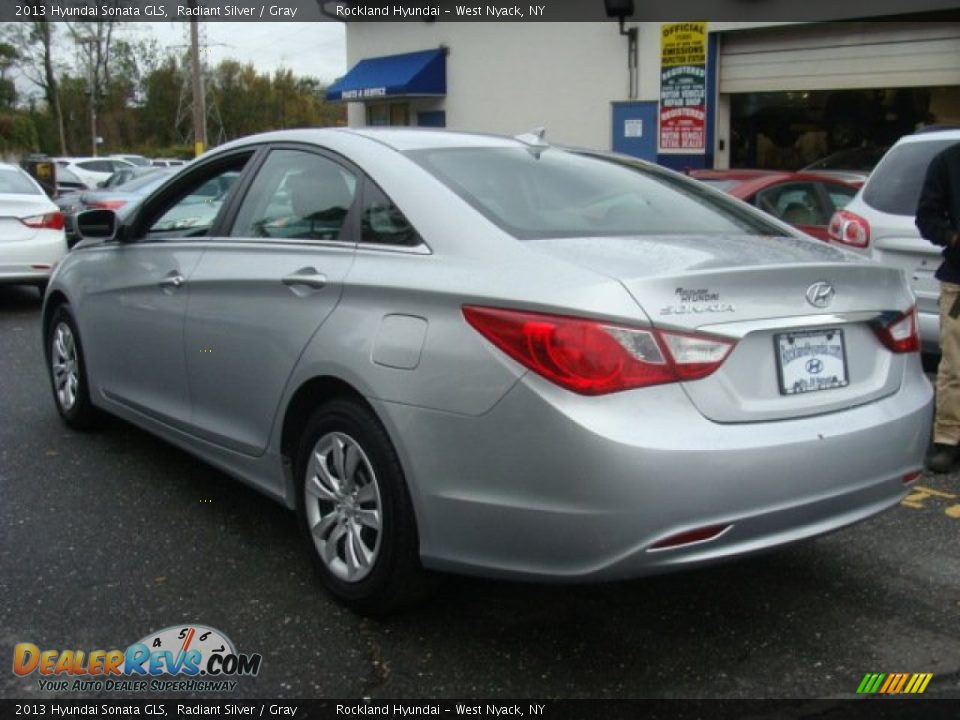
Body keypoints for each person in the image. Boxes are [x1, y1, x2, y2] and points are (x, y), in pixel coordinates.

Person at [916, 140, 960, 473]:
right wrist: (953, 237)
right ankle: (947, 441)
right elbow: (926, 218)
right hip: (958, 281)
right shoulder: (947, 162)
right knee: (954, 367)